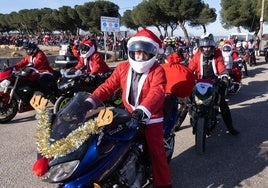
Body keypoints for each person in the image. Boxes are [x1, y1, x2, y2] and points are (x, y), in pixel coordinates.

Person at [85, 29, 172, 188]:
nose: (140, 57)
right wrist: (90, 101)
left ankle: (164, 184)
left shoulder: (157, 70)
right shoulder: (123, 68)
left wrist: (144, 109)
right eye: (137, 53)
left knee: (156, 152)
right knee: (106, 140)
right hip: (128, 113)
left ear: (152, 54)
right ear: (131, 52)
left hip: (151, 117)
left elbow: (157, 92)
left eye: (144, 54)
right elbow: (108, 86)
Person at [188, 33, 240, 135]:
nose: (206, 49)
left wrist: (224, 76)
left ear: (212, 47)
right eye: (204, 47)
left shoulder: (217, 54)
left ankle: (230, 128)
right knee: (189, 101)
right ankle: (176, 126)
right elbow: (190, 68)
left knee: (222, 103)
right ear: (201, 47)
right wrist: (185, 75)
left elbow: (221, 67)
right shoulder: (197, 55)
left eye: (208, 47)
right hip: (199, 82)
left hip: (214, 82)